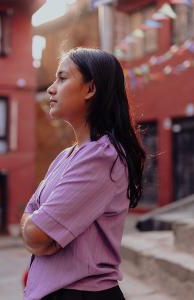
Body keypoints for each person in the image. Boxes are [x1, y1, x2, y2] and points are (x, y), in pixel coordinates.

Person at [21, 48, 146, 300]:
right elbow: (30, 221)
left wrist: (39, 230)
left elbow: (36, 232)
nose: (51, 88)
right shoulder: (66, 156)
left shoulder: (102, 157)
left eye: (63, 78)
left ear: (90, 89)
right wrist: (37, 229)